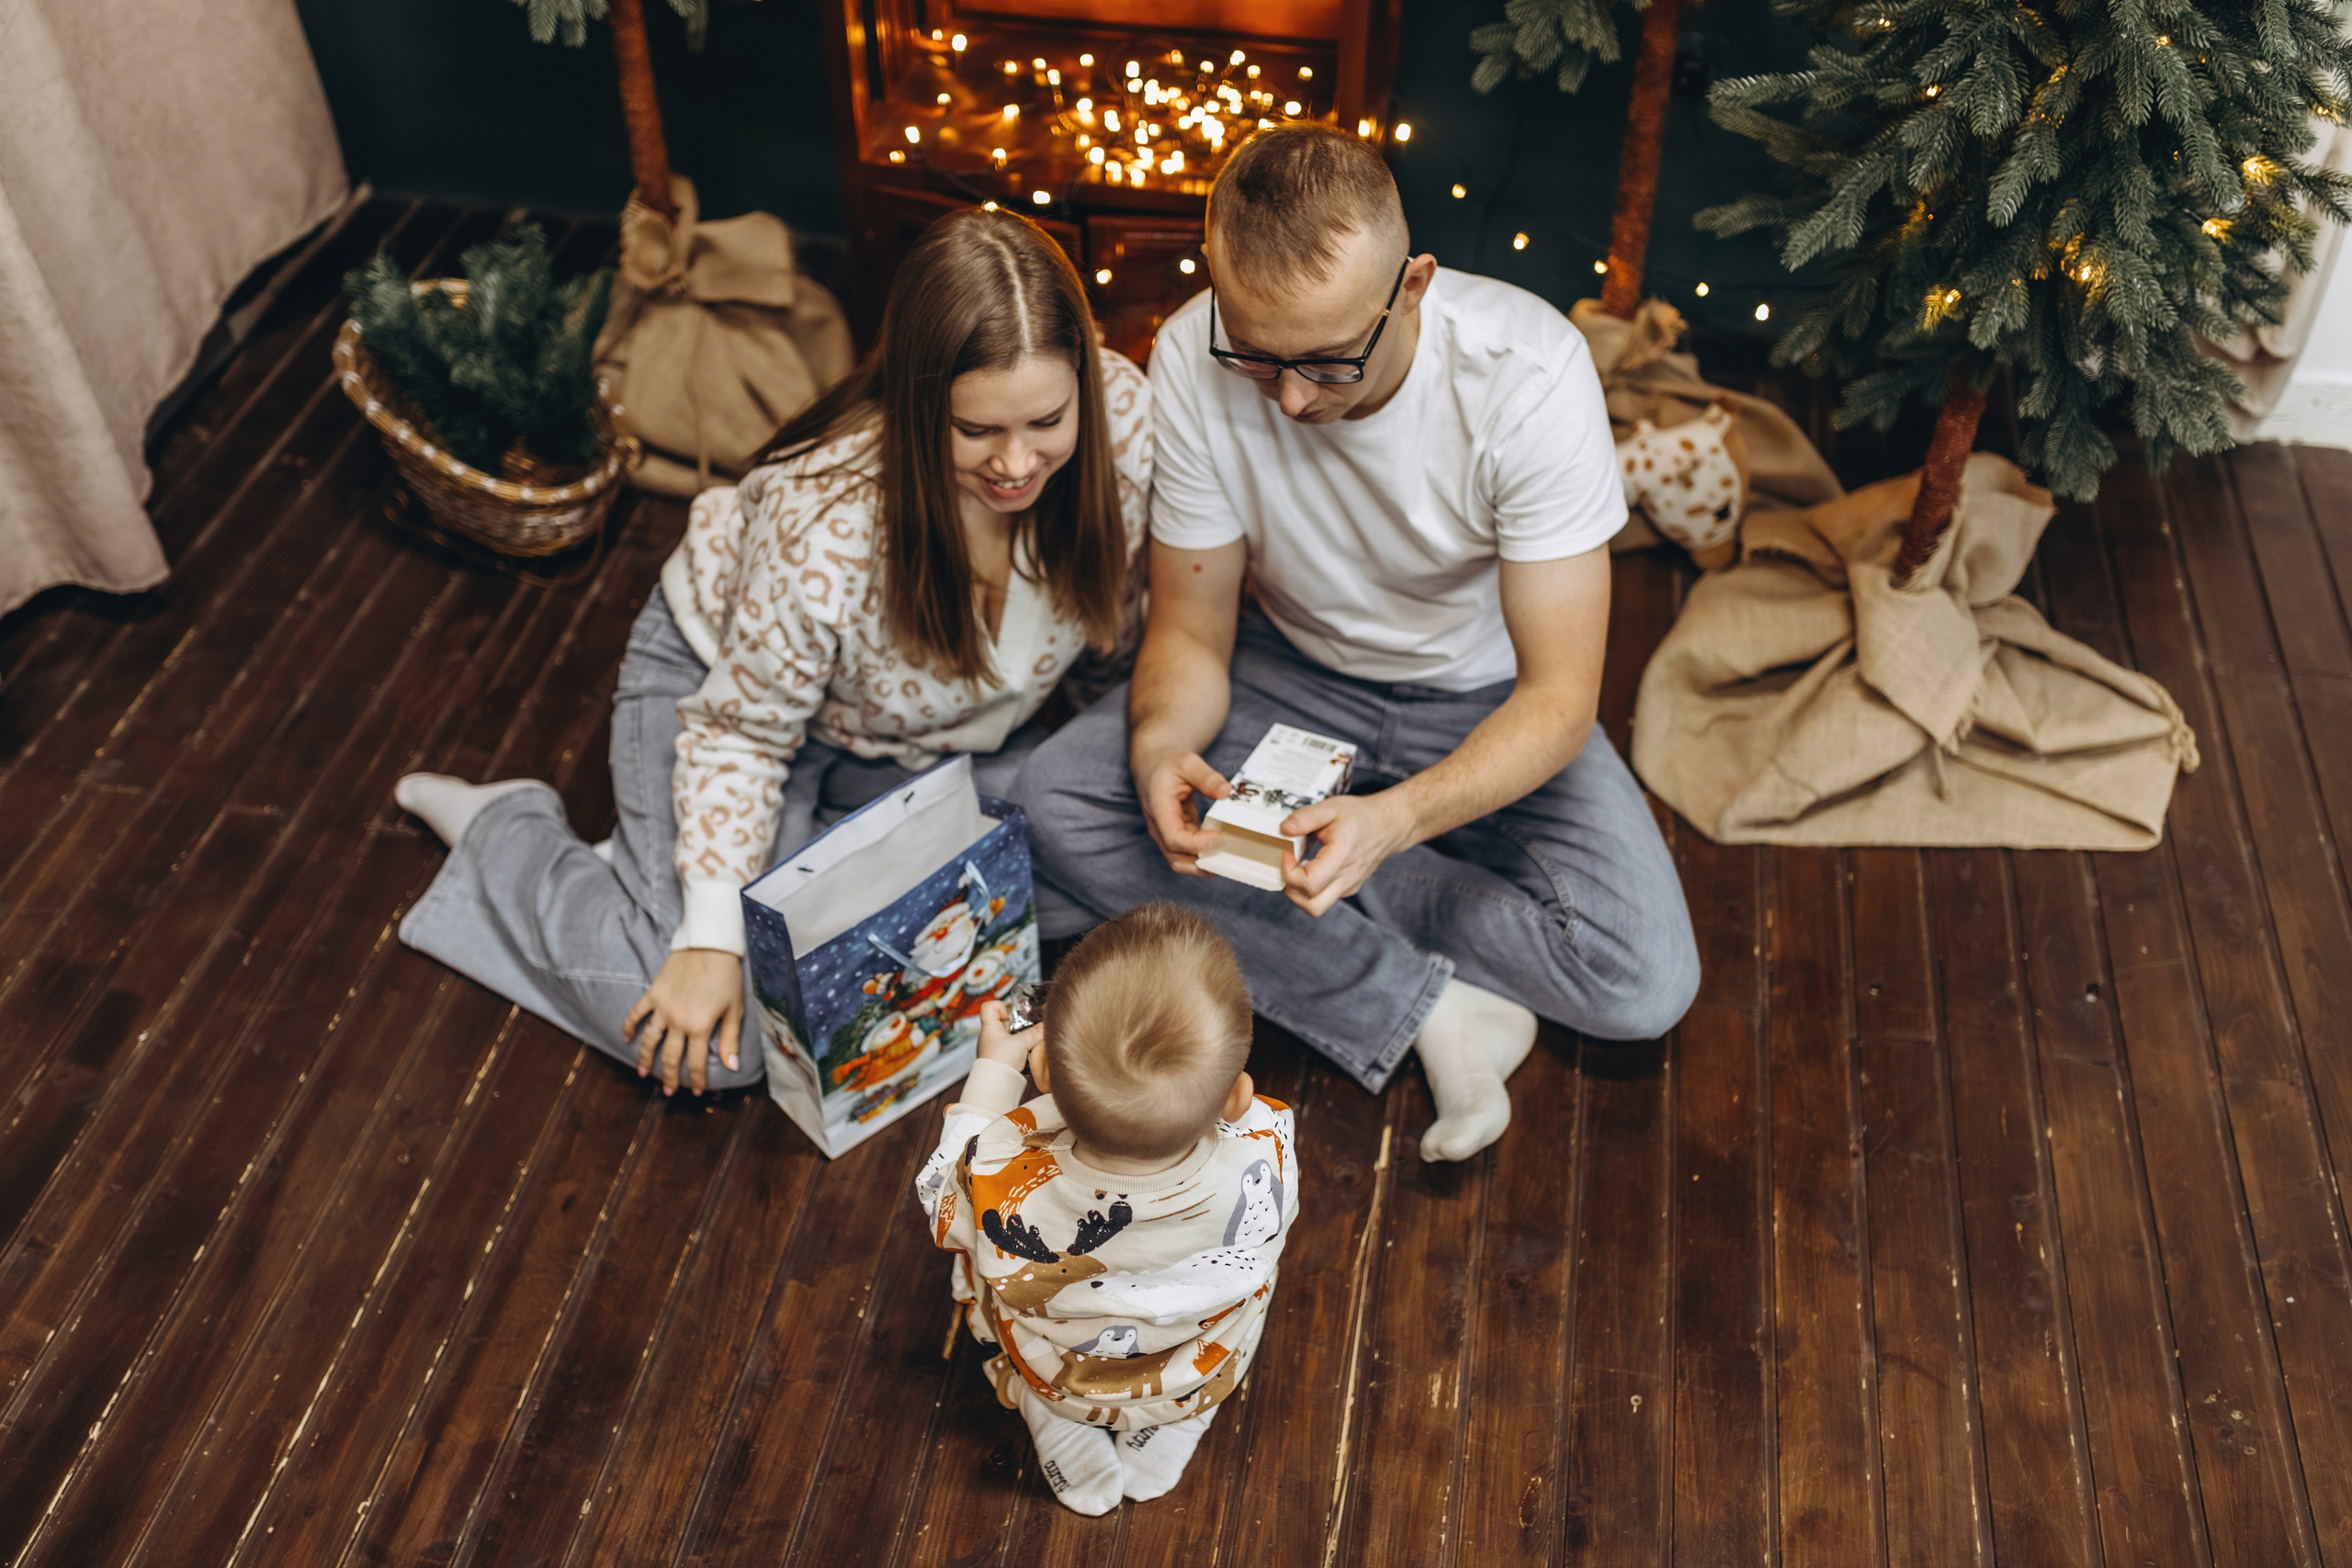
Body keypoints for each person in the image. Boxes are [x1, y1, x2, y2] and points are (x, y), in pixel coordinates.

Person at [1019, 124, 1699, 1164]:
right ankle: (1431, 1011)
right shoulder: (1193, 357)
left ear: (1414, 284)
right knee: (1058, 795)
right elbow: (1192, 633)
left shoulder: (1530, 374)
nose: (1292, 400)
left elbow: (1562, 699)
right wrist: (1162, 751)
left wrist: (1392, 823)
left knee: (1643, 980)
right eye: (1260, 359)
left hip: (1484, 696)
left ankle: (1286, 890)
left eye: (1329, 361)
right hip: (1286, 676)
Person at [394, 209, 1151, 1097]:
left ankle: (699, 865)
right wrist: (709, 940)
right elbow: (744, 736)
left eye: (1046, 421)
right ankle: (507, 833)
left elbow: (1119, 610)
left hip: (912, 742)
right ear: (913, 404)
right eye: (976, 430)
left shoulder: (1124, 421)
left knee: (1076, 893)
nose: (1018, 463)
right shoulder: (823, 517)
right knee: (730, 1045)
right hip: (731, 697)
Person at [914, 903, 1296, 1516]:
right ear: (1237, 1095)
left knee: (980, 1258)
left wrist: (993, 1071)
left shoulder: (1000, 1168)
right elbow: (1246, 1125)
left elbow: (941, 1195)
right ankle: (1178, 1417)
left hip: (1057, 1368)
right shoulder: (1265, 1149)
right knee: (1255, 1273)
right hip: (1197, 1360)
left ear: (1042, 1070)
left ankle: (1050, 1412)